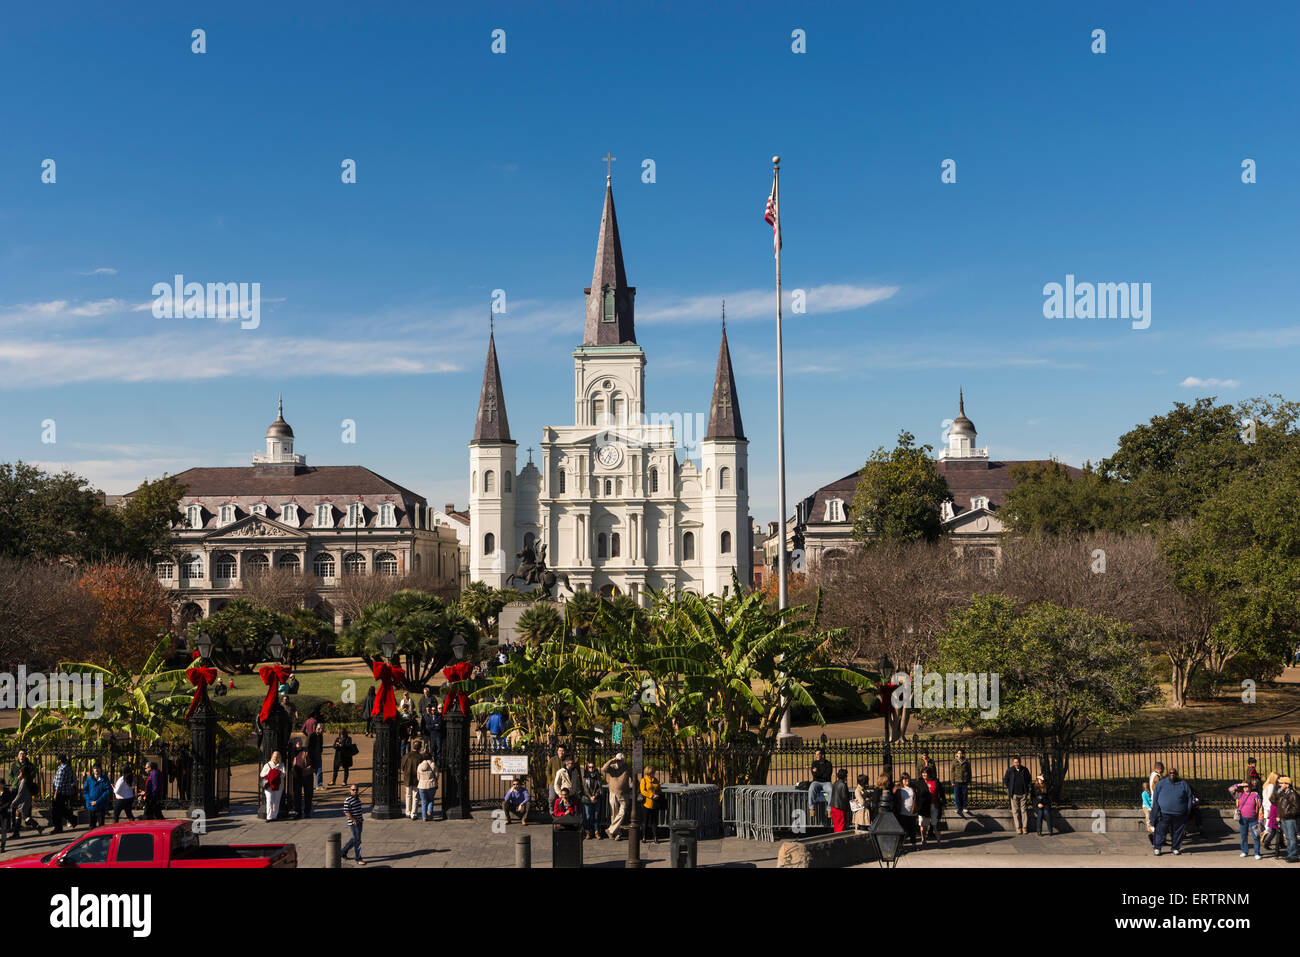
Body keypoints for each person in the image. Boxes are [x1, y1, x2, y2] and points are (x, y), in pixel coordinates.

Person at [1151, 767, 1193, 856]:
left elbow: (1189, 796)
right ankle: (1157, 847)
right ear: (1168, 774)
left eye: (1174, 773)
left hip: (1179, 813)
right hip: (1164, 813)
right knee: (1160, 831)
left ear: (1177, 774)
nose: (1172, 775)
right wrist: (1155, 810)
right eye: (1170, 773)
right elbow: (1155, 798)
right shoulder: (1161, 784)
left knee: (1178, 832)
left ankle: (1175, 848)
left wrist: (1188, 809)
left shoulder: (1183, 784)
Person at [601, 753, 631, 840]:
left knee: (622, 812)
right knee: (614, 813)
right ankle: (617, 833)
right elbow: (603, 769)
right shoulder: (612, 767)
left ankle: (610, 830)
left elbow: (633, 776)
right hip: (613, 792)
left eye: (620, 760)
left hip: (624, 793)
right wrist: (611, 760)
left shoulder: (627, 767)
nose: (619, 762)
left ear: (623, 760)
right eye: (617, 760)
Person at [1230, 779, 1263, 860]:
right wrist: (1239, 785)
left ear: (1251, 787)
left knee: (1256, 836)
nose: (1245, 788)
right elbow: (1230, 789)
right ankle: (1244, 851)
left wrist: (1260, 819)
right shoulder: (1239, 795)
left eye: (1247, 786)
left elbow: (1260, 807)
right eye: (1244, 786)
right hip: (1242, 818)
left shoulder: (1255, 795)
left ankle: (1257, 853)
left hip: (1253, 819)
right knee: (1243, 836)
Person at [9, 749, 38, 834]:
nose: (22, 755)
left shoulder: (30, 765)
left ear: (26, 756)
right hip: (15, 787)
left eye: (23, 754)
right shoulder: (13, 765)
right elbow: (10, 775)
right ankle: (15, 825)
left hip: (26, 788)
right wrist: (15, 780)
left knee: (25, 807)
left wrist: (25, 778)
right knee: (15, 809)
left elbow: (33, 774)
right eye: (20, 754)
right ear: (18, 755)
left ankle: (28, 823)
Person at [1004, 756, 1032, 834]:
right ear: (1013, 762)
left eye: (1018, 762)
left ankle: (1024, 828)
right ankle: (1018, 828)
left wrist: (1026, 788)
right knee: (1015, 811)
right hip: (1014, 794)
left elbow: (1029, 779)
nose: (1017, 764)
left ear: (1020, 762)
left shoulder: (1025, 770)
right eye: (1015, 762)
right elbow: (1006, 780)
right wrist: (1010, 788)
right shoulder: (1010, 770)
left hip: (1023, 794)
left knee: (1024, 811)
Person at [50, 755, 78, 834]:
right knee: (61, 809)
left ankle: (58, 827)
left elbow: (59, 783)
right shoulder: (68, 768)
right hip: (66, 792)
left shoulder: (62, 769)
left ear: (60, 760)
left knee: (56, 811)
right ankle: (72, 819)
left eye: (57, 760)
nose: (56, 761)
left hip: (60, 793)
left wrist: (55, 793)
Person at [1274, 776, 1298, 863]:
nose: (1280, 784)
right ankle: (1290, 853)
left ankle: (1293, 855)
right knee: (1287, 837)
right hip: (1283, 818)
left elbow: (1296, 808)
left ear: (1287, 784)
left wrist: (1286, 814)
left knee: (1291, 837)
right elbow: (1273, 801)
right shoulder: (1282, 793)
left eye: (1282, 783)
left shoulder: (1293, 794)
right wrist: (1276, 791)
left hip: (1290, 819)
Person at [400, 739, 425, 820]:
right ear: (420, 748)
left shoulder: (406, 756)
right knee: (415, 797)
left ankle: (408, 811)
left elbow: (402, 767)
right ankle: (413, 813)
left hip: (407, 778)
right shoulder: (420, 757)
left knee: (408, 795)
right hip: (416, 779)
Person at [341, 783, 365, 865]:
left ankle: (342, 852)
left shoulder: (357, 798)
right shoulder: (348, 800)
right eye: (353, 790)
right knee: (357, 840)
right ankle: (358, 858)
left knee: (355, 839)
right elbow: (346, 812)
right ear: (350, 790)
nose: (355, 791)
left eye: (356, 790)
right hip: (353, 823)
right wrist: (354, 820)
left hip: (359, 822)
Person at [291, 740, 314, 819]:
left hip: (307, 775)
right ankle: (298, 812)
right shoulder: (292, 752)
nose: (299, 744)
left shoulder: (306, 751)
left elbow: (314, 760)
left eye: (300, 742)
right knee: (297, 795)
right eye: (297, 742)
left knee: (308, 795)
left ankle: (307, 812)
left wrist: (310, 767)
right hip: (297, 776)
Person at [580, 760, 603, 840]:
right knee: (588, 816)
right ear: (587, 768)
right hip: (587, 799)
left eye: (592, 767)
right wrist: (590, 797)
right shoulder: (585, 776)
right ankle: (588, 832)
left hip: (596, 799)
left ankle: (596, 832)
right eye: (589, 767)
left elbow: (600, 788)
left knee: (596, 815)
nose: (591, 768)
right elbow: (585, 789)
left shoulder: (598, 776)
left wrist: (595, 796)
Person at [640, 766, 663, 844]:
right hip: (646, 803)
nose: (652, 774)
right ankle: (644, 837)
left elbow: (659, 789)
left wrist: (658, 794)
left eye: (653, 773)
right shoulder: (644, 780)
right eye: (651, 773)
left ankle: (655, 837)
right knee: (645, 821)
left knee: (654, 821)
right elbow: (642, 791)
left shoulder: (656, 780)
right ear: (648, 773)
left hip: (655, 803)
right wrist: (651, 795)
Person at [922, 767, 945, 844]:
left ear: (929, 773)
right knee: (924, 825)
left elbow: (941, 793)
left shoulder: (935, 781)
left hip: (934, 805)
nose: (924, 774)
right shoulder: (920, 782)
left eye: (926, 773)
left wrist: (943, 803)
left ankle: (939, 841)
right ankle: (923, 840)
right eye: (923, 773)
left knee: (935, 824)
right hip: (924, 806)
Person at [261, 750, 286, 821]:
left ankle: (274, 816)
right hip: (269, 785)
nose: (275, 758)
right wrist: (270, 773)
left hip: (279, 786)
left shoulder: (282, 765)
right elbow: (261, 774)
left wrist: (276, 772)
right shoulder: (267, 765)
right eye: (274, 756)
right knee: (269, 801)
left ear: (279, 758)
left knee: (276, 801)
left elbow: (284, 774)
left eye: (277, 756)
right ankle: (269, 817)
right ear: (272, 757)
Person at [303, 711, 325, 788]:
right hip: (311, 754)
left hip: (318, 754)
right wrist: (308, 754)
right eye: (322, 730)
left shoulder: (320, 735)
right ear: (318, 729)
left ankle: (319, 785)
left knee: (319, 769)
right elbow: (307, 745)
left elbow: (321, 744)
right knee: (310, 770)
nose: (323, 731)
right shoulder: (312, 735)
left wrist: (321, 751)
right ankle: (308, 784)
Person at [896, 773, 918, 845]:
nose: (907, 780)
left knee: (913, 830)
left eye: (908, 778)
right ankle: (901, 845)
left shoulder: (913, 788)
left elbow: (917, 799)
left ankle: (913, 844)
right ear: (901, 780)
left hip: (912, 813)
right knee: (903, 830)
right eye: (905, 779)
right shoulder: (899, 789)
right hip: (902, 813)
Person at [417, 748, 438, 822]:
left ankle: (424, 817)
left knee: (423, 801)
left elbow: (418, 777)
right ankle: (429, 812)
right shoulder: (433, 765)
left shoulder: (419, 766)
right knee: (431, 800)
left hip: (422, 786)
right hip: (431, 784)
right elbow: (436, 775)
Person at [1261, 770, 1280, 852]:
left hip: (1266, 807)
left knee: (1269, 826)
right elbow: (1270, 798)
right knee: (1270, 827)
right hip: (1270, 808)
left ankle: (1266, 840)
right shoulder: (1271, 786)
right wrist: (1270, 810)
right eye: (1277, 778)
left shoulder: (1266, 785)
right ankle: (1265, 841)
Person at [829, 768, 851, 833]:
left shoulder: (835, 783)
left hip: (833, 806)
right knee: (841, 825)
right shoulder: (843, 785)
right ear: (845, 776)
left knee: (836, 825)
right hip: (840, 807)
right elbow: (844, 797)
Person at [950, 748, 971, 818]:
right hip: (957, 781)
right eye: (958, 753)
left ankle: (964, 807)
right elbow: (952, 772)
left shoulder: (966, 761)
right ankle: (958, 808)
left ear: (963, 754)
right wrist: (952, 781)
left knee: (964, 794)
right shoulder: (954, 761)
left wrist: (969, 780)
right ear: (956, 754)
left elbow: (969, 771)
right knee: (957, 795)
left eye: (961, 753)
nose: (959, 754)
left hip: (964, 781)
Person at [423, 700, 444, 766]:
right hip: (432, 736)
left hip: (438, 736)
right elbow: (427, 727)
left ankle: (438, 764)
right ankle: (434, 763)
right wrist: (434, 725)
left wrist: (433, 726)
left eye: (434, 710)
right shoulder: (430, 718)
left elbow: (440, 726)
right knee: (433, 750)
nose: (433, 711)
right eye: (432, 710)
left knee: (439, 750)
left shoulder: (439, 717)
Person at [1141, 781, 1155, 845]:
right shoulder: (1143, 793)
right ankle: (1148, 827)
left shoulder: (1150, 792)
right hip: (1146, 806)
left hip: (1150, 806)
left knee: (1151, 816)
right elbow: (1145, 801)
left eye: (1147, 788)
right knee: (1148, 815)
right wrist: (1149, 808)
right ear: (1144, 788)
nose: (1147, 789)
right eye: (1146, 788)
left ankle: (1151, 826)